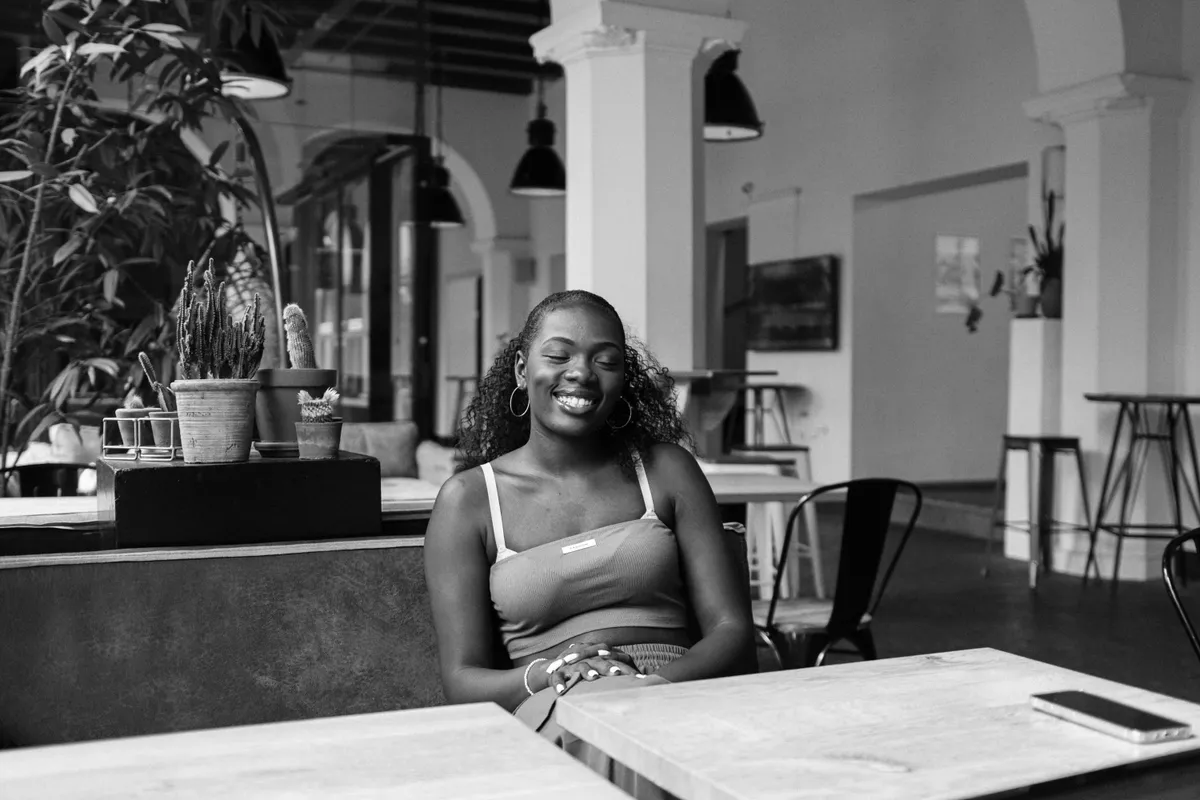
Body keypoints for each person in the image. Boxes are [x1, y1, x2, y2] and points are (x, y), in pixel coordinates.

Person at [423, 290, 756, 792]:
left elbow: (731, 629)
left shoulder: (666, 470)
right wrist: (550, 674)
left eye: (606, 361)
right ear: (521, 370)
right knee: (602, 735)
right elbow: (462, 678)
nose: (581, 373)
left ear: (624, 379)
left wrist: (645, 689)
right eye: (559, 356)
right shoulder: (469, 500)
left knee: (624, 734)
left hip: (674, 691)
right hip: (553, 700)